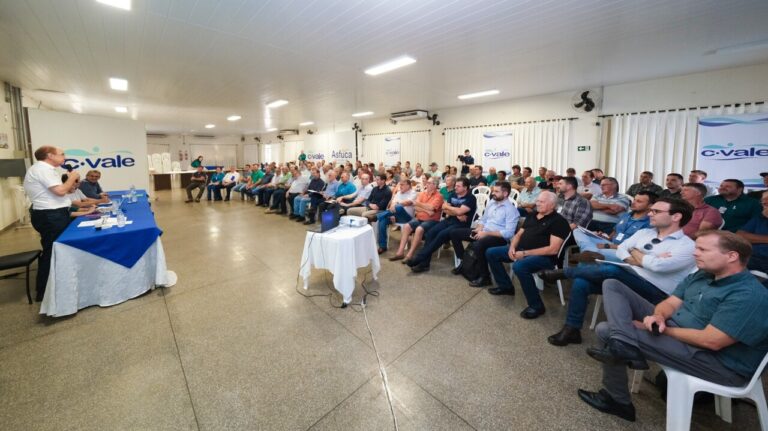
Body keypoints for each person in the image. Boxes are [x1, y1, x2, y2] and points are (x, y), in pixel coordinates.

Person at [578, 231, 768, 423]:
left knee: (606, 330)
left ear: (732, 256)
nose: (695, 253)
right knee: (612, 284)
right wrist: (658, 316)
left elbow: (711, 341)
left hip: (717, 362)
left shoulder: (748, 295)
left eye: (702, 249)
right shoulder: (703, 274)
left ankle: (618, 400)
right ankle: (623, 342)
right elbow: (670, 303)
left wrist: (664, 330)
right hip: (682, 332)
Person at [541, 197, 697, 346]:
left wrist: (636, 253)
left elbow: (657, 267)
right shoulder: (645, 233)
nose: (650, 214)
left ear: (676, 216)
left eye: (656, 211)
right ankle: (572, 330)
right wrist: (642, 258)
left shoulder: (687, 246)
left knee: (613, 270)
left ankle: (564, 273)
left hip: (654, 291)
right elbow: (622, 248)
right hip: (627, 277)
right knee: (583, 282)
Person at [484, 191, 571, 318]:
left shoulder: (559, 222)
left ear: (552, 205)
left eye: (542, 202)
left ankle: (536, 306)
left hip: (545, 257)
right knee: (491, 252)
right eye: (538, 201)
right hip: (521, 250)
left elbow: (553, 249)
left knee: (520, 266)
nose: (538, 203)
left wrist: (524, 253)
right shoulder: (533, 215)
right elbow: (519, 234)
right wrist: (512, 247)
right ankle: (505, 286)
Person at [23, 146, 81, 301]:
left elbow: (62, 193)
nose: (65, 157)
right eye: (62, 154)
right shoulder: (42, 170)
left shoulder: (48, 170)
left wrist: (72, 183)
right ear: (50, 155)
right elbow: (60, 191)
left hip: (55, 214)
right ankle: (44, 291)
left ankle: (55, 284)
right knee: (52, 250)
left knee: (57, 249)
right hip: (50, 216)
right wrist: (71, 177)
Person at [449, 181, 519, 286]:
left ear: (505, 194)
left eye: (496, 191)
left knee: (478, 245)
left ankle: (485, 277)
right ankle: (465, 264)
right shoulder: (492, 202)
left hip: (498, 237)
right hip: (483, 231)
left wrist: (486, 233)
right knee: (454, 233)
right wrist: (479, 228)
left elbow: (508, 233)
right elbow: (484, 219)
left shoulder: (511, 210)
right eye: (493, 191)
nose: (493, 193)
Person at [407, 177, 476, 273]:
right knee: (430, 233)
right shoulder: (453, 194)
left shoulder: (470, 198)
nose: (455, 188)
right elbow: (444, 209)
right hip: (449, 220)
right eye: (455, 185)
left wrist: (452, 209)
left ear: (465, 188)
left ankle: (419, 259)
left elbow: (456, 210)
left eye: (458, 186)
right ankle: (424, 264)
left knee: (441, 235)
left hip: (461, 225)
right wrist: (456, 212)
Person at [570, 191, 654, 264]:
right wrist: (604, 236)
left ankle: (589, 253)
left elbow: (635, 250)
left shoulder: (649, 224)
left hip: (622, 251)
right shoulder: (627, 215)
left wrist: (606, 246)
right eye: (634, 200)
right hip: (609, 243)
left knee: (590, 258)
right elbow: (614, 232)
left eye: (639, 201)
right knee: (578, 231)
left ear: (650, 206)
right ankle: (589, 251)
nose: (633, 202)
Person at [391, 176, 443, 260]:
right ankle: (400, 252)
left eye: (429, 183)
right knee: (407, 226)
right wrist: (426, 209)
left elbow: (431, 208)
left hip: (432, 220)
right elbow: (415, 207)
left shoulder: (439, 196)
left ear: (435, 185)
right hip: (419, 218)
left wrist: (422, 206)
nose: (426, 184)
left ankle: (409, 255)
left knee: (419, 229)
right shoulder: (422, 193)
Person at [376, 179, 418, 251]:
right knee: (382, 220)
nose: (400, 186)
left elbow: (407, 203)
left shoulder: (413, 193)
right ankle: (382, 246)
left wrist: (396, 204)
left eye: (402, 185)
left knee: (399, 207)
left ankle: (377, 216)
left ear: (408, 186)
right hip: (395, 216)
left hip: (407, 218)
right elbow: (392, 204)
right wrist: (392, 214)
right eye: (399, 185)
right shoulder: (398, 193)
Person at [737, 191, 768, 273]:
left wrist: (754, 238)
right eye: (762, 201)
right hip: (751, 258)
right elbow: (740, 235)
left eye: (767, 200)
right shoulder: (760, 217)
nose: (764, 203)